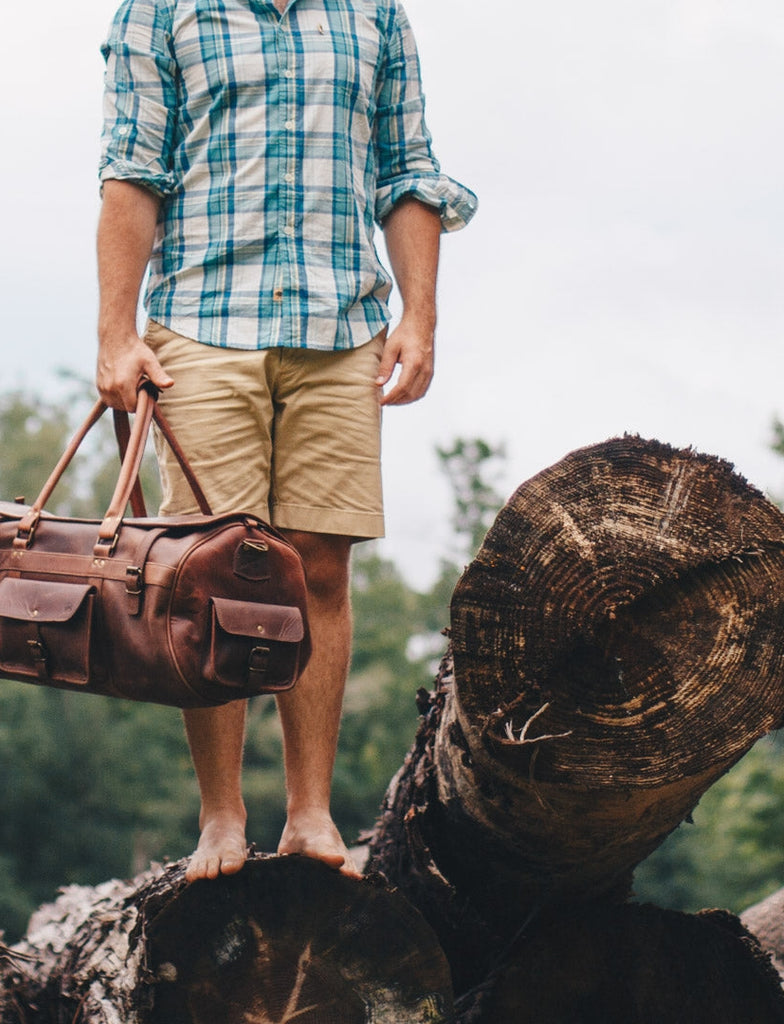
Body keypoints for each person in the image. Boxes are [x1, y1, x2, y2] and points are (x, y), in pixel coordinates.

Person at [94, 0, 476, 883]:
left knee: (320, 566)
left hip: (342, 326)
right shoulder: (162, 12)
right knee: (206, 571)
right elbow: (131, 172)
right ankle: (221, 816)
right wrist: (117, 337)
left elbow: (409, 171)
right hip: (200, 321)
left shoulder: (374, 14)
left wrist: (420, 315)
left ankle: (310, 813)